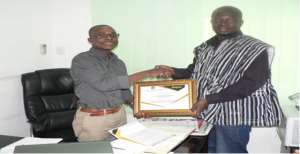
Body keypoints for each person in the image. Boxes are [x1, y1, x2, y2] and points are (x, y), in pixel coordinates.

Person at [157, 6, 283, 153]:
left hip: (234, 115)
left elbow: (250, 83)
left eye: (228, 18)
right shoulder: (205, 47)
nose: (222, 22)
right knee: (211, 150)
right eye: (218, 19)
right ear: (212, 22)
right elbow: (195, 71)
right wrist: (172, 71)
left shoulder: (254, 48)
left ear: (240, 22)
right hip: (209, 113)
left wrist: (209, 99)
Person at [70, 25, 172, 142]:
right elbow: (104, 84)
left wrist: (136, 107)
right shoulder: (82, 60)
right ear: (90, 40)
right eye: (101, 35)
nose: (109, 38)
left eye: (113, 35)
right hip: (95, 120)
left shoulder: (119, 63)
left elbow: (124, 91)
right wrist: (148, 73)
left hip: (119, 117)